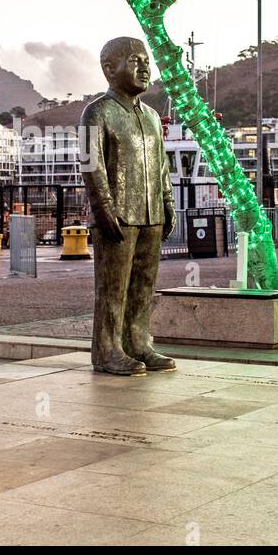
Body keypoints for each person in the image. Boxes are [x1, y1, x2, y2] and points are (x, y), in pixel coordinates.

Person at [81, 36, 176, 376]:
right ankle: (107, 350)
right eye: (135, 61)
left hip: (151, 214)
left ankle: (138, 342)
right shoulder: (97, 112)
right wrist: (103, 208)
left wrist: (167, 201)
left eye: (146, 61)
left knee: (143, 285)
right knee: (112, 288)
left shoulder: (151, 116)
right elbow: (92, 166)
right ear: (109, 69)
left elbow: (162, 165)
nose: (145, 67)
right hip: (118, 215)